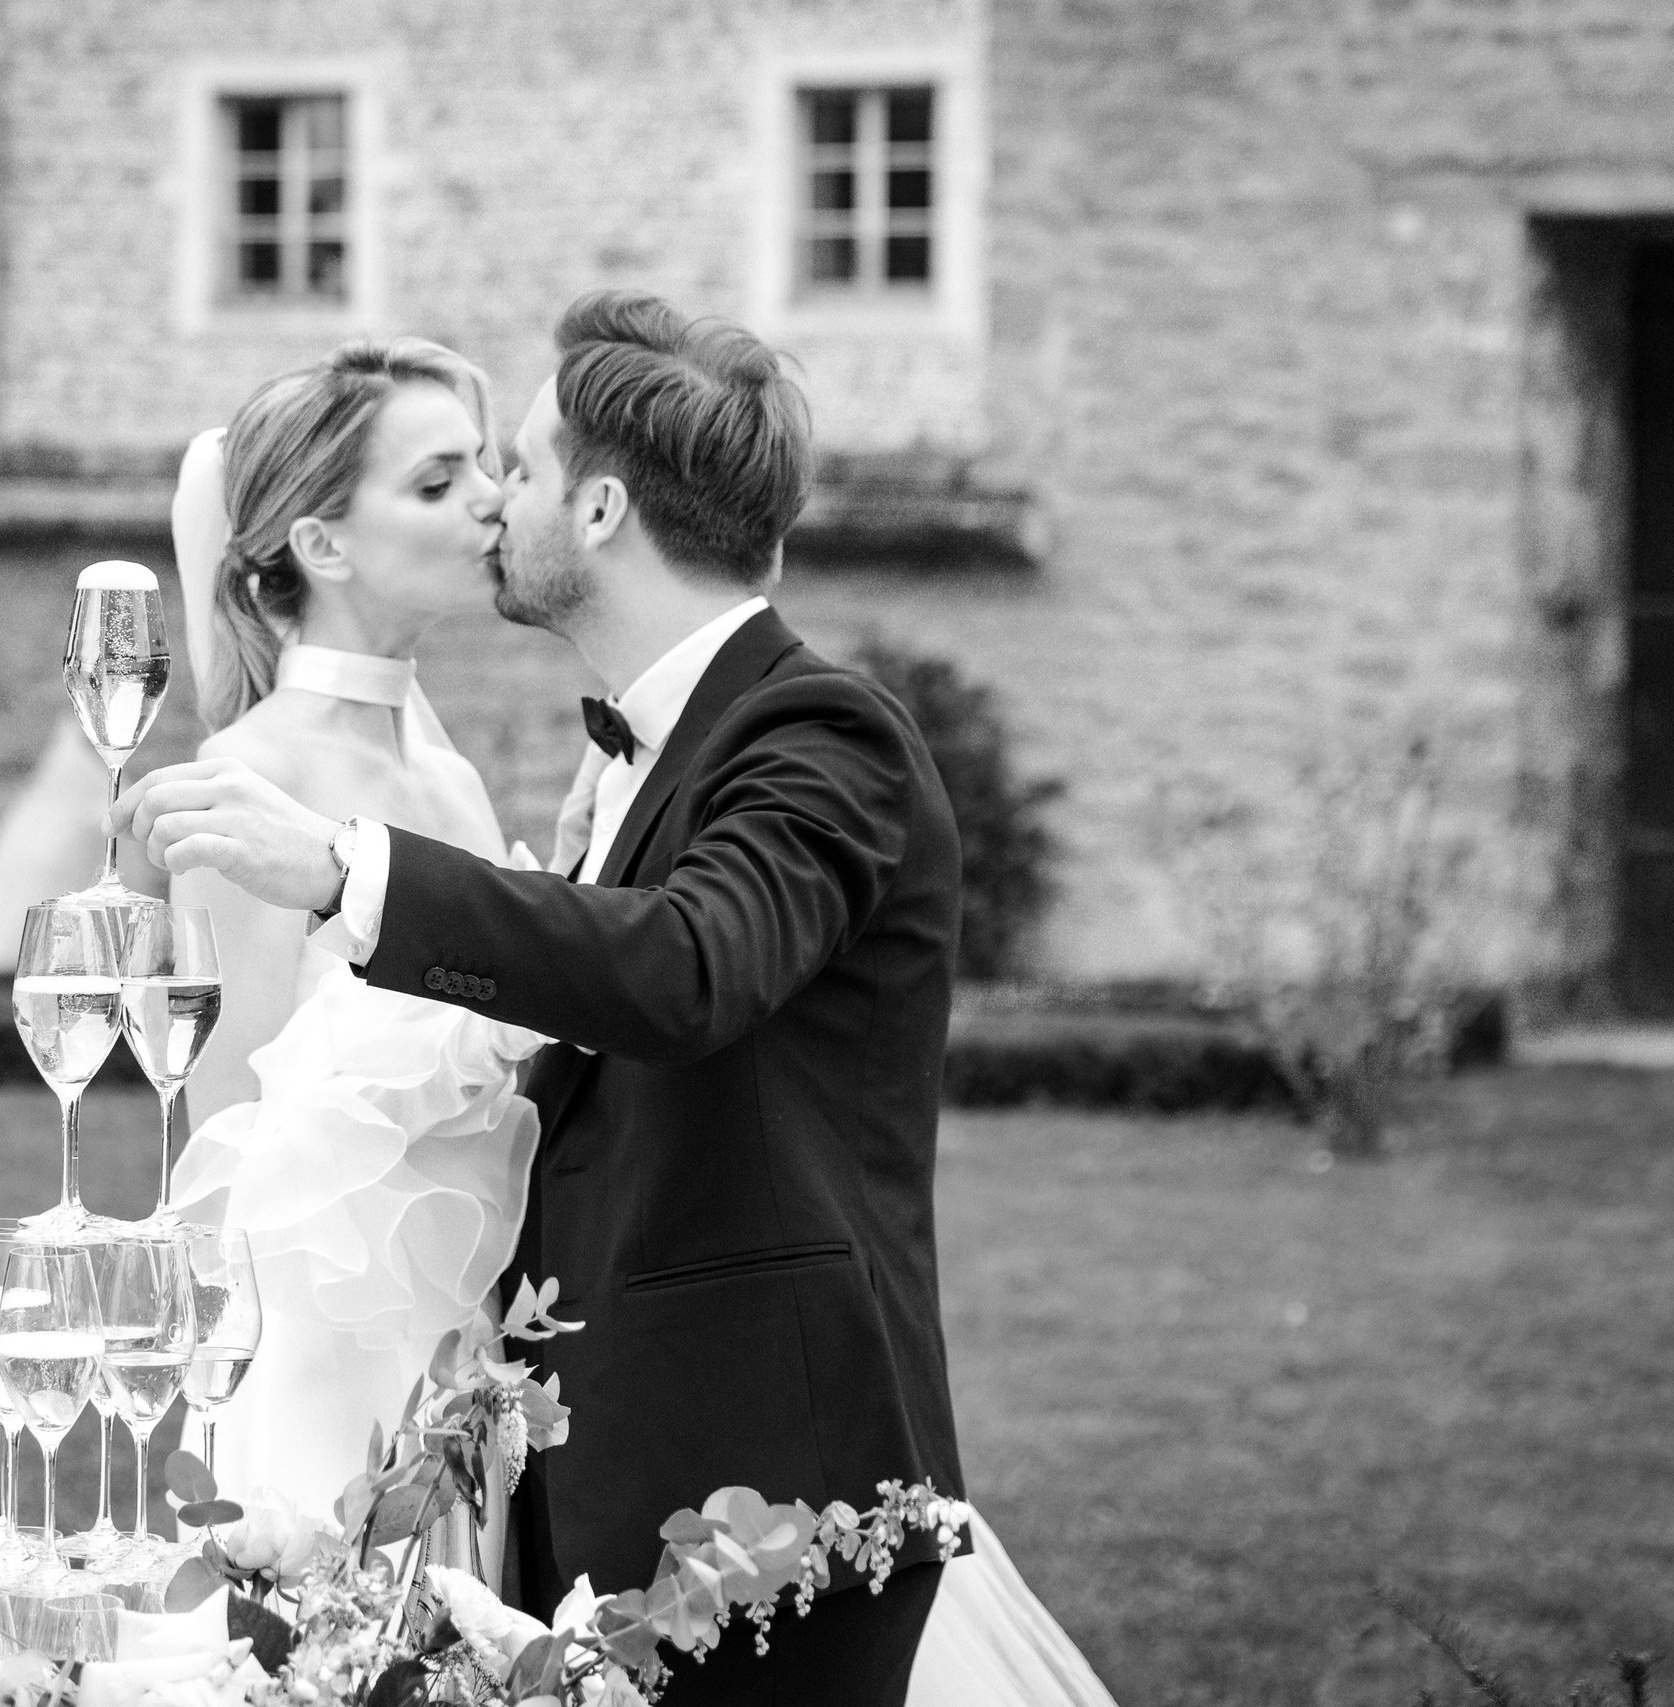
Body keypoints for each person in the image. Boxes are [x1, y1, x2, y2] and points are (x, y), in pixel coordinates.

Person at [134, 295, 1117, 1707]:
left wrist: (350, 870)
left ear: (598, 511)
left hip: (759, 1496)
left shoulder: (816, 729)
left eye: (516, 466)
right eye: (455, 474)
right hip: (543, 1452)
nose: (496, 499)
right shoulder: (646, 760)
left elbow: (686, 965)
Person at [153, 336, 544, 1577]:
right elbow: (228, 1128)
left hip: (471, 1326)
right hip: (324, 1345)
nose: (490, 498)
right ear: (321, 543)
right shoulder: (249, 780)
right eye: (437, 481)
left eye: (485, 465)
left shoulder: (449, 777)